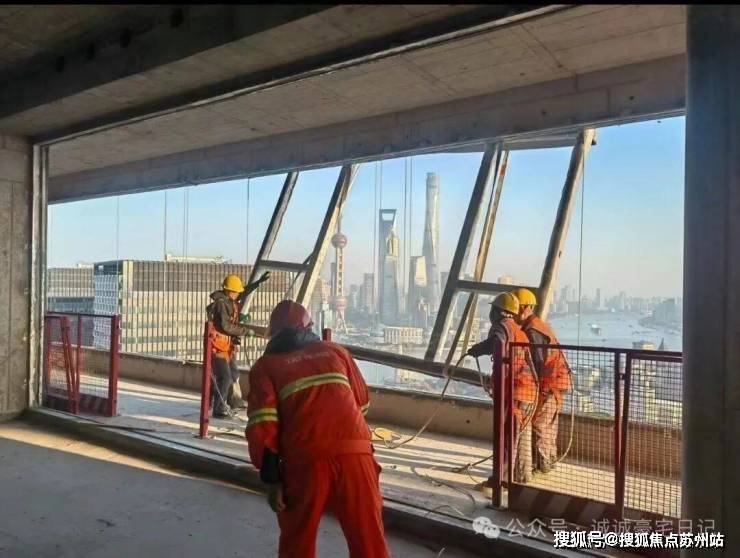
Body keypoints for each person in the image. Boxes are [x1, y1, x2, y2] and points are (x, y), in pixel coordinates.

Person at [245, 300, 389, 558]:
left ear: (273, 333)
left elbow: (263, 428)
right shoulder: (336, 352)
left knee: (297, 541)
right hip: (356, 457)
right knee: (369, 542)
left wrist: (273, 480)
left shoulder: (265, 367)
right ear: (309, 326)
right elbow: (362, 403)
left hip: (305, 461)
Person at [466, 292, 538, 483]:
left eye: (492, 310)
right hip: (527, 391)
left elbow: (497, 343)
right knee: (519, 438)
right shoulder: (518, 330)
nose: (490, 314)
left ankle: (502, 480)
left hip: (515, 391)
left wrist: (479, 349)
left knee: (507, 436)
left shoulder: (501, 327)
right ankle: (521, 477)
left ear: (499, 312)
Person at [512, 288, 572, 474]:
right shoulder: (536, 326)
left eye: (516, 308)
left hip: (551, 383)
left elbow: (537, 362)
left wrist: (535, 387)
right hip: (556, 381)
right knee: (547, 423)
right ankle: (547, 460)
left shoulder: (533, 330)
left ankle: (543, 464)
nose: (513, 313)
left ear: (526, 308)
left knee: (541, 424)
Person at [206, 272, 269, 418]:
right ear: (228, 291)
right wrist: (245, 331)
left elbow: (244, 291)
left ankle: (234, 401)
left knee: (233, 374)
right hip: (218, 346)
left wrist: (257, 283)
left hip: (227, 345)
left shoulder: (229, 299)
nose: (238, 294)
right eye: (235, 292)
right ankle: (219, 408)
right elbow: (226, 326)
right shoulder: (221, 304)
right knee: (225, 377)